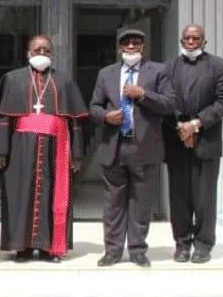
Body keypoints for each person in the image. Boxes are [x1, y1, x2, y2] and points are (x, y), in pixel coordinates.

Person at [0, 35, 87, 263]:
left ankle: (48, 247)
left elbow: (76, 121)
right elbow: (2, 118)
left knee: (51, 194)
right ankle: (20, 247)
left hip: (56, 147)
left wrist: (77, 154)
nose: (41, 52)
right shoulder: (12, 79)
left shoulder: (64, 81)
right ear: (28, 53)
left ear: (51, 54)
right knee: (20, 194)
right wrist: (1, 150)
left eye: (46, 49)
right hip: (21, 147)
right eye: (36, 48)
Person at [90, 29, 174, 268]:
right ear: (119, 48)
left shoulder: (158, 71)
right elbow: (94, 107)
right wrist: (106, 116)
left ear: (143, 48)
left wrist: (143, 94)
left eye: (136, 44)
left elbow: (170, 104)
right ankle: (113, 251)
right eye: (126, 44)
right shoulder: (106, 74)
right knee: (113, 203)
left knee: (141, 202)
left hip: (144, 147)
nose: (131, 47)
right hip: (115, 146)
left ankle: (138, 250)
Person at [162, 23, 223, 264]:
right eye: (187, 38)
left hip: (206, 140)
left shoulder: (218, 66)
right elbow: (166, 99)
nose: (191, 41)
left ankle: (204, 244)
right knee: (179, 196)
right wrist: (181, 126)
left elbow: (221, 102)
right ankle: (182, 243)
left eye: (196, 38)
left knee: (204, 196)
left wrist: (196, 124)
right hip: (177, 140)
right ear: (181, 41)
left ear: (204, 42)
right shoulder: (171, 66)